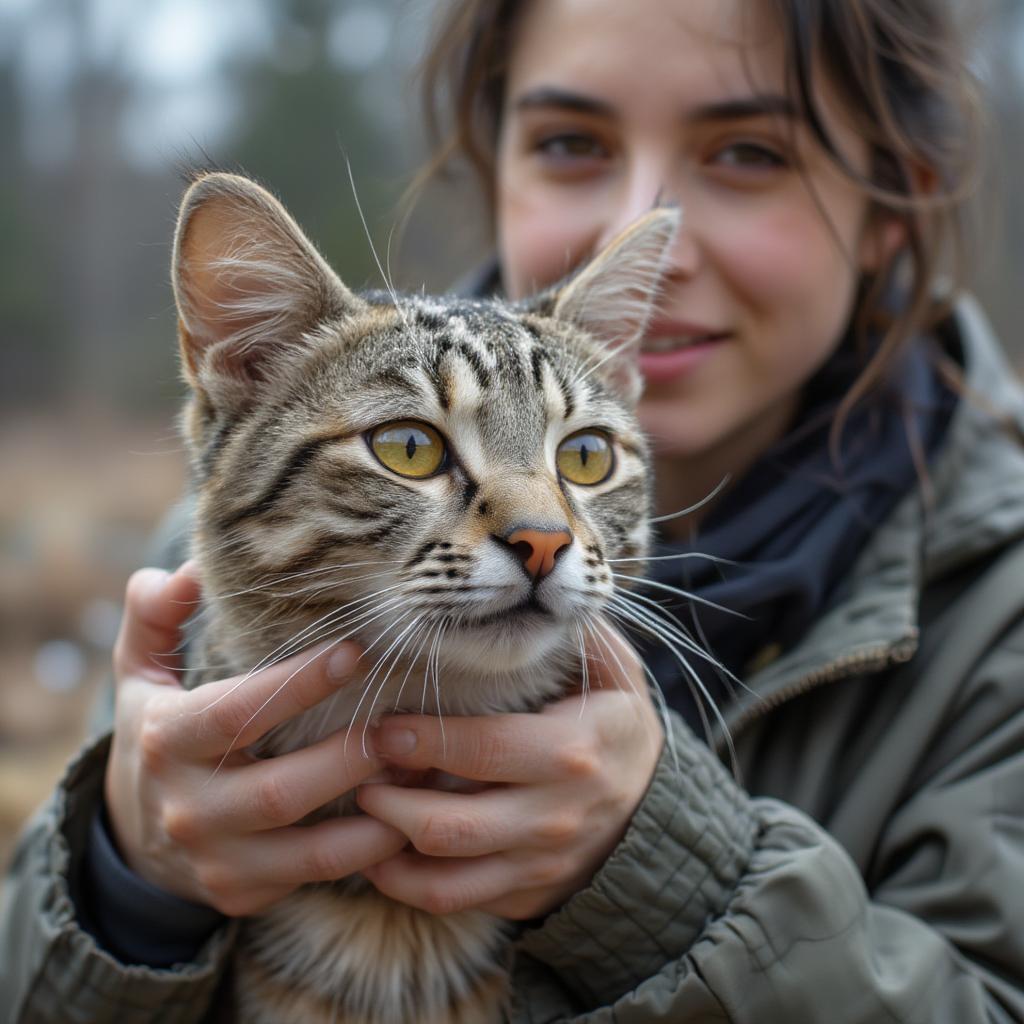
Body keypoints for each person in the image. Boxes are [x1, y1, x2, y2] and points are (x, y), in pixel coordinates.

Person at [3, 0, 1024, 1020]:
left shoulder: (998, 611)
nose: (538, 532)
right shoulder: (204, 568)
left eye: (750, 152)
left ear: (896, 205)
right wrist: (123, 873)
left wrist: (668, 877)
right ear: (491, 163)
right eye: (571, 141)